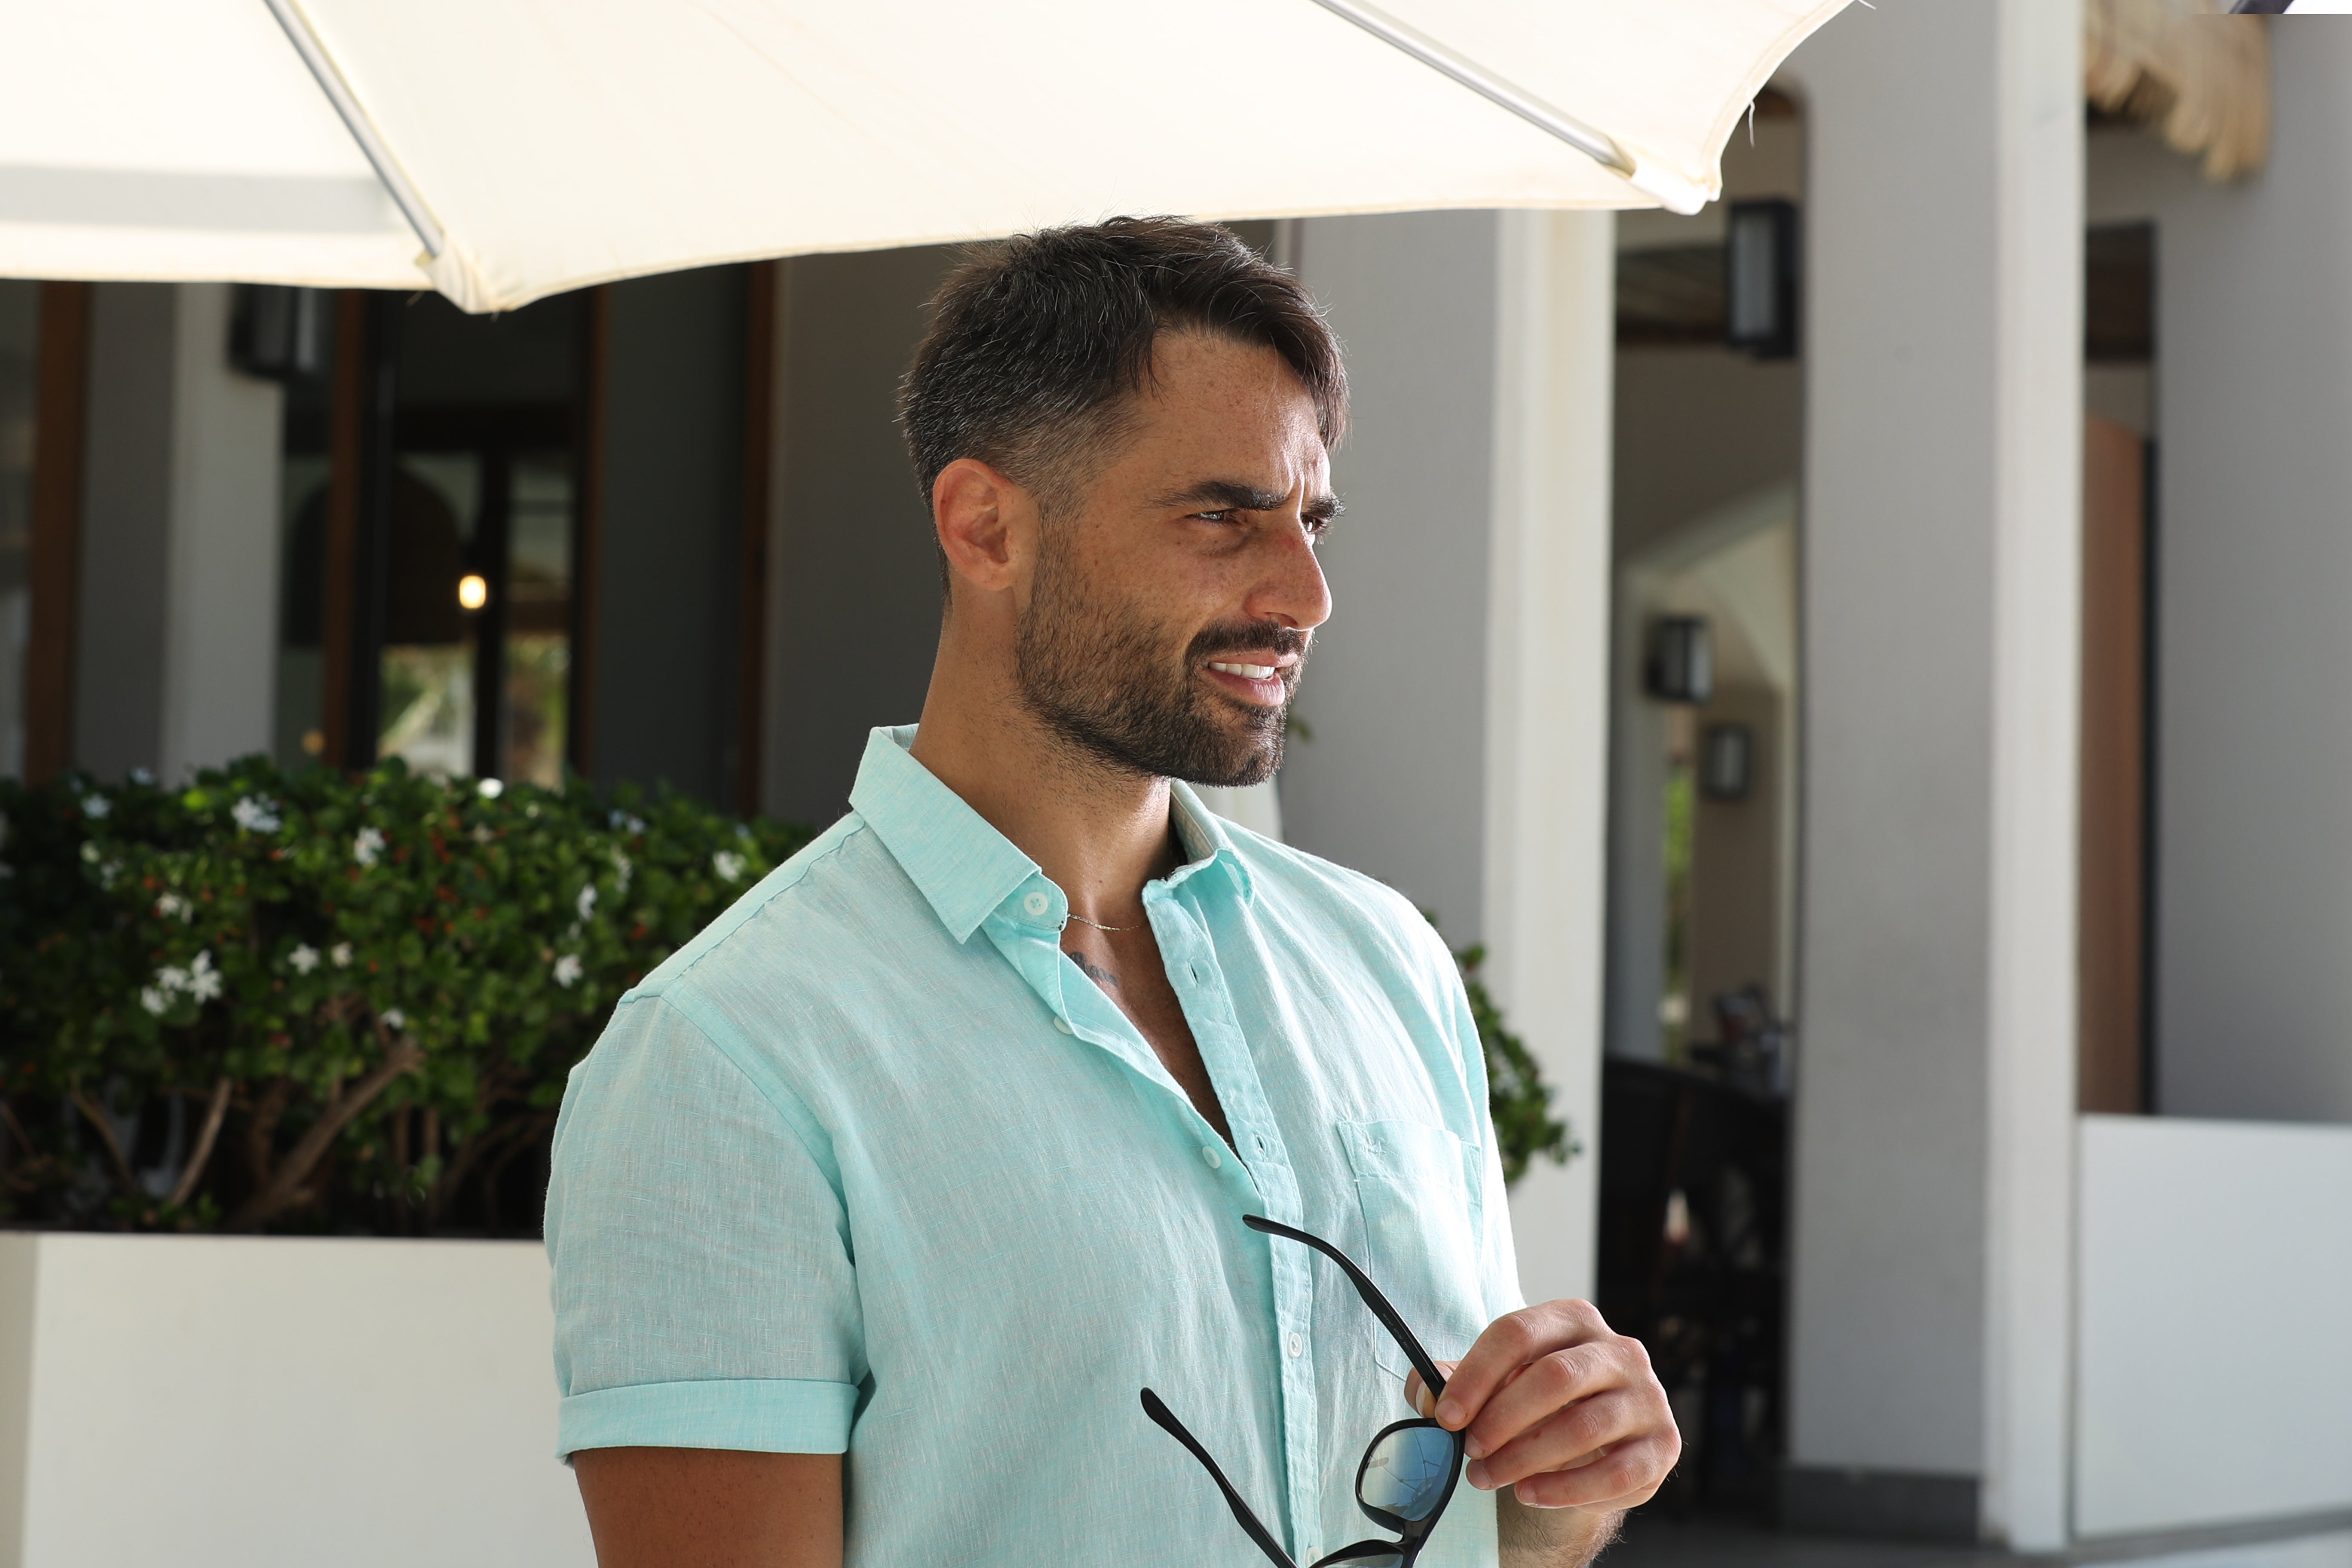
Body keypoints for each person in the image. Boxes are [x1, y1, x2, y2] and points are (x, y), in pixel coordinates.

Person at [547, 216, 1678, 1568]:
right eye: (1221, 515)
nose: (1305, 594)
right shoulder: (725, 1061)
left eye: (1309, 521)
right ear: (986, 527)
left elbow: (1487, 1527)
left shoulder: (1385, 964)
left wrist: (1561, 1492)